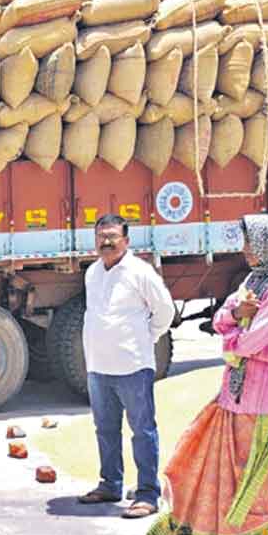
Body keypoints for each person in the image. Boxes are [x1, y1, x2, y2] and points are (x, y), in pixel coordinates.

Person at [149, 214, 268, 535]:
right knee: (218, 473)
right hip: (233, 398)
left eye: (251, 242)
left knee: (257, 484)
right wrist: (236, 313)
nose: (244, 249)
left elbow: (249, 344)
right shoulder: (254, 281)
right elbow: (220, 320)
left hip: (262, 404)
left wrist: (233, 334)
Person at [77, 215, 176, 518]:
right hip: (98, 366)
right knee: (105, 429)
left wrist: (147, 337)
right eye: (101, 236)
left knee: (142, 431)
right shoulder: (92, 272)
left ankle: (147, 493)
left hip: (133, 366)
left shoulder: (139, 271)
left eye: (112, 236)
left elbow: (165, 310)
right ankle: (110, 484)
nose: (106, 242)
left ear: (126, 241)